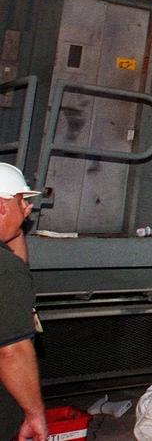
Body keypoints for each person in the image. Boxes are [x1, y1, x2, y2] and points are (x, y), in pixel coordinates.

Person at [0, 163, 46, 441]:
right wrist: (34, 413)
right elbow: (11, 351)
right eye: (23, 202)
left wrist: (13, 230)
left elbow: (17, 267)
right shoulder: (4, 269)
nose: (28, 209)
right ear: (3, 207)